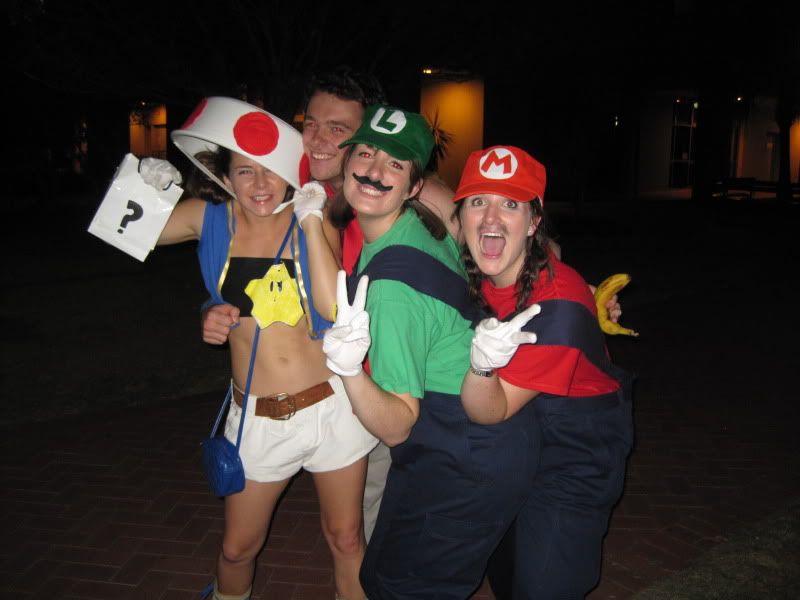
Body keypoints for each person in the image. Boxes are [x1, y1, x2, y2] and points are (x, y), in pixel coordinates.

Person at [146, 97, 376, 600]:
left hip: (332, 407)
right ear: (223, 173)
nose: (260, 184)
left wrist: (312, 221)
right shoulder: (209, 218)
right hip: (258, 418)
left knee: (346, 537)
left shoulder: (313, 214)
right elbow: (129, 229)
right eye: (245, 170)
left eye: (271, 170)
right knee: (236, 549)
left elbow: (331, 305)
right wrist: (148, 185)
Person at [320, 106, 542, 599]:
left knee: (400, 586)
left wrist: (348, 370)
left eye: (395, 164)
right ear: (346, 162)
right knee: (387, 573)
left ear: (414, 186)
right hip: (482, 435)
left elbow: (397, 425)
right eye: (366, 153)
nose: (374, 171)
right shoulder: (422, 227)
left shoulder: (392, 289)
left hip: (462, 448)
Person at [454, 146, 634, 599]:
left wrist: (481, 368)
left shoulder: (557, 310)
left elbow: (489, 410)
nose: (491, 218)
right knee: (506, 567)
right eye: (478, 201)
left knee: (544, 584)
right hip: (521, 437)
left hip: (574, 453)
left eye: (510, 205)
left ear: (534, 222)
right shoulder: (481, 269)